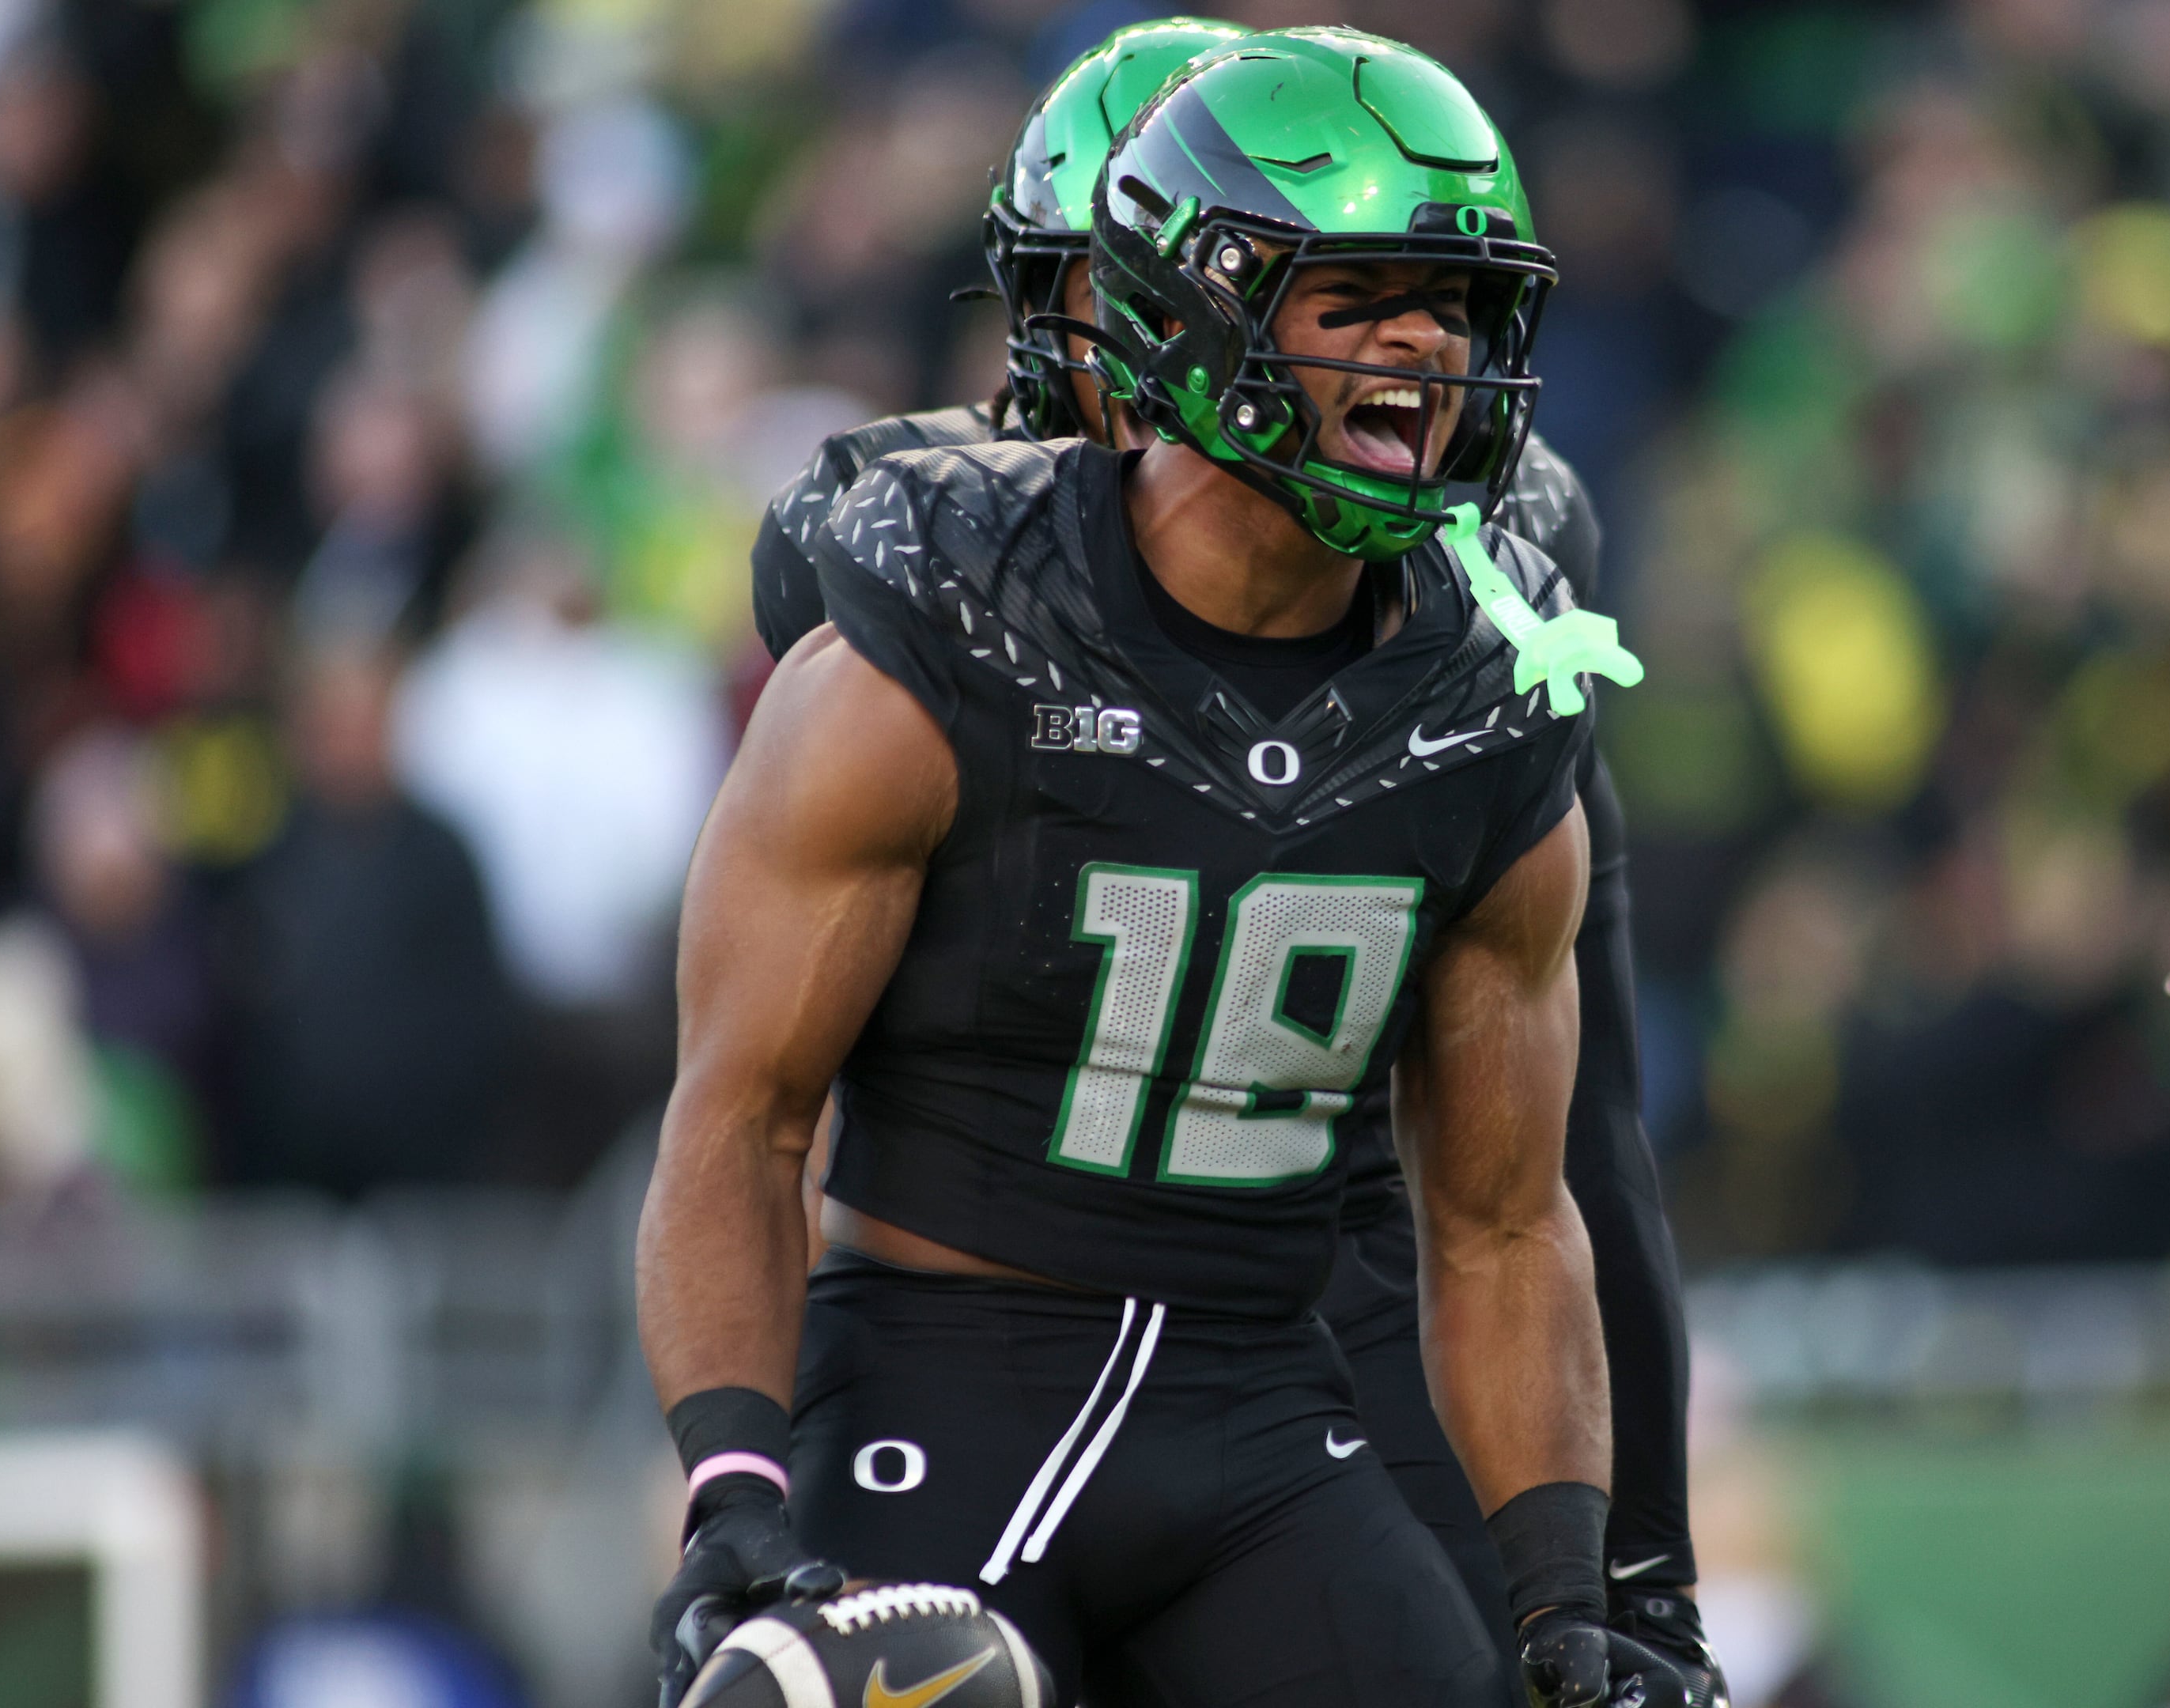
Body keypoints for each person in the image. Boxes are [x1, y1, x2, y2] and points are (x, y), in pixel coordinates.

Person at [639, 35, 1683, 1708]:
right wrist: (733, 1487)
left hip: (1264, 1403)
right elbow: (741, 1115)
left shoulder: (1486, 700)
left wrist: (1572, 1601)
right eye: (1364, 296)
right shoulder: (945, 632)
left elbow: (1506, 1222)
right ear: (1199, 313)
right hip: (941, 1377)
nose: (1430, 346)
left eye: (1457, 306)